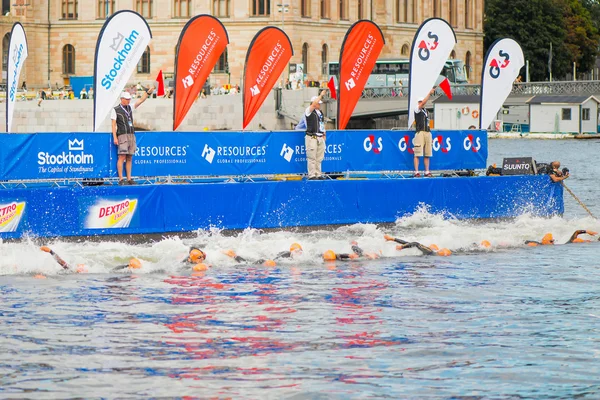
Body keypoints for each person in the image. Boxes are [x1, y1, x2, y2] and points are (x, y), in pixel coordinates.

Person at [111, 86, 154, 185]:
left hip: (131, 134)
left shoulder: (130, 107)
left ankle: (129, 178)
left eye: (129, 99)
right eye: (127, 99)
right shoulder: (115, 110)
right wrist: (115, 137)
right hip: (122, 135)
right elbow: (113, 125)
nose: (128, 101)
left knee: (129, 157)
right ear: (122, 99)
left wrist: (148, 93)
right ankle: (121, 179)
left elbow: (141, 100)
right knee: (122, 157)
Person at [41, 246, 141, 272]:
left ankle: (129, 265)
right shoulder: (74, 270)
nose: (79, 265)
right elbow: (61, 263)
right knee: (110, 271)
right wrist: (50, 251)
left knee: (110, 271)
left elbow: (61, 262)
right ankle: (129, 266)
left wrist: (50, 251)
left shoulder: (73, 270)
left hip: (100, 272)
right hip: (100, 272)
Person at [305, 89, 327, 180]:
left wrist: (324, 134)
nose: (319, 104)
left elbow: (321, 124)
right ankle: (312, 175)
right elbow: (314, 104)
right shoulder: (309, 111)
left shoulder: (320, 113)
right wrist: (321, 95)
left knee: (319, 158)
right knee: (312, 157)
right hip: (312, 137)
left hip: (319, 137)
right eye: (318, 103)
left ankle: (318, 173)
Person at [413, 88, 436, 177]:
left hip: (427, 131)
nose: (421, 103)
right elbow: (423, 103)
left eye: (421, 101)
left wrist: (430, 135)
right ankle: (416, 171)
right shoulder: (417, 109)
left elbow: (428, 123)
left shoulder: (426, 111)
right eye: (420, 102)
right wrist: (429, 93)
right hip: (420, 131)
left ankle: (426, 171)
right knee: (417, 153)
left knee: (427, 153)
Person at [223, 243, 303, 267]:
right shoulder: (286, 255)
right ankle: (233, 255)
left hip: (266, 261)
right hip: (263, 262)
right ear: (292, 251)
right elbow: (274, 261)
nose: (299, 253)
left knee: (248, 263)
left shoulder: (289, 254)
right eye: (297, 251)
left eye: (300, 251)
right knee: (247, 264)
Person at [384, 234, 452, 256]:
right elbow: (410, 243)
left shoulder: (430, 251)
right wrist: (392, 239)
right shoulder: (432, 252)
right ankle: (391, 238)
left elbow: (415, 244)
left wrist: (402, 247)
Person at [525, 230, 597, 246]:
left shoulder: (571, 242)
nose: (553, 242)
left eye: (553, 241)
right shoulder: (539, 245)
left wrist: (587, 231)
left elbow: (577, 232)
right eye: (551, 241)